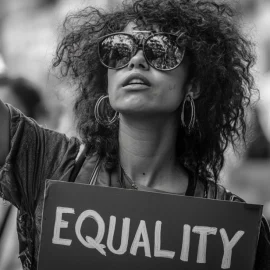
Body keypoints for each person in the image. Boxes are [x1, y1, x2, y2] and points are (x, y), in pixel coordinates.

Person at [0, 0, 269, 269]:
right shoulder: (50, 163)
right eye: (119, 50)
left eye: (161, 49)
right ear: (106, 78)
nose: (137, 59)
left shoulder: (233, 230)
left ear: (194, 85)